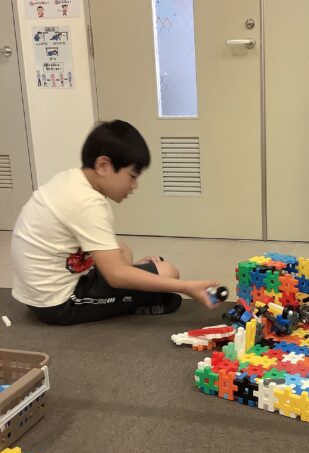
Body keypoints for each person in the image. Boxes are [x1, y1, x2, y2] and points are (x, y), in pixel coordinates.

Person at [11, 120, 220, 325]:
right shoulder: (87, 203)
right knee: (168, 272)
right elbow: (115, 277)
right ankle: (132, 303)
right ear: (103, 165)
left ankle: (131, 284)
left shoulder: (70, 179)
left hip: (39, 290)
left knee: (122, 248)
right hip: (58, 303)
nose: (134, 186)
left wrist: (128, 270)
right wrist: (186, 287)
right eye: (132, 176)